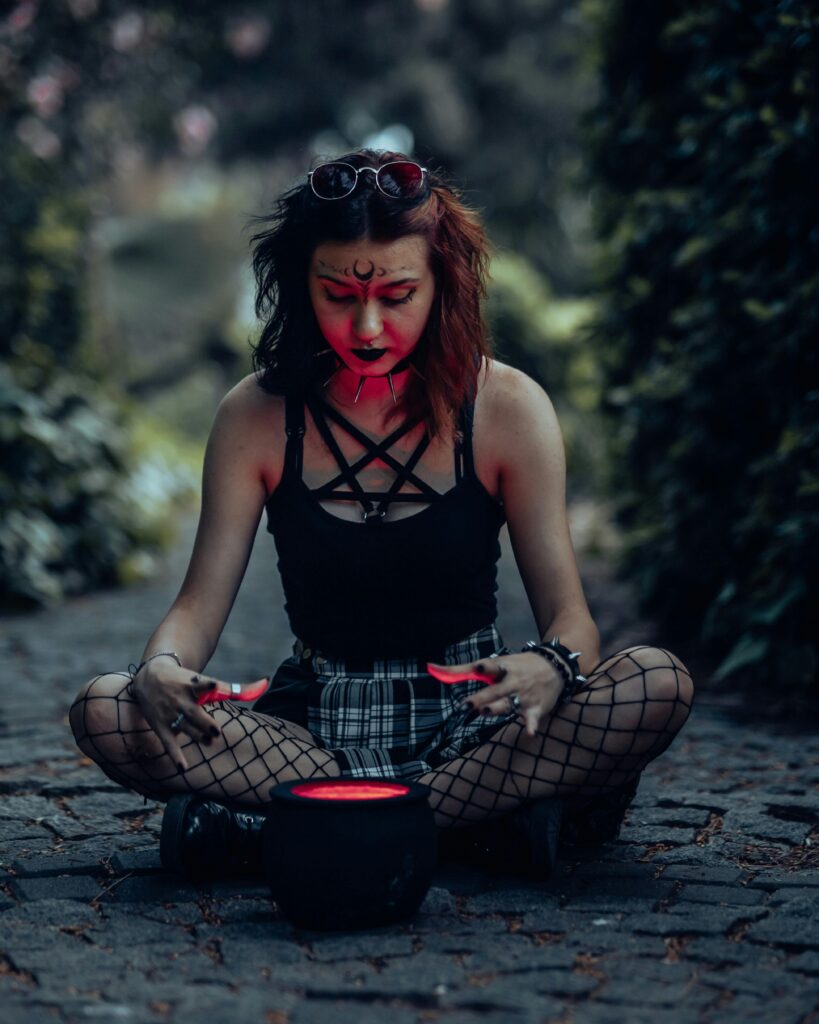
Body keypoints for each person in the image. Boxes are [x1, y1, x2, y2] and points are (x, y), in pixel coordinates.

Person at [69, 150, 694, 878]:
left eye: (396, 295)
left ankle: (297, 825)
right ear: (302, 288)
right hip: (311, 731)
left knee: (657, 682)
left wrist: (551, 667)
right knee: (106, 709)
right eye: (338, 295)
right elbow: (195, 610)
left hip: (476, 723)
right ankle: (464, 825)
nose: (367, 326)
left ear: (442, 286)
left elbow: (572, 621)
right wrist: (161, 668)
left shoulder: (508, 407)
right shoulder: (255, 415)